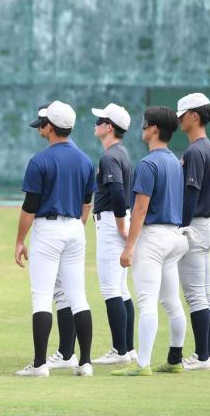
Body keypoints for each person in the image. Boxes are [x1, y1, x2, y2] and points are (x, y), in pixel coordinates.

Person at [14, 101, 95, 377]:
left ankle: (39, 365)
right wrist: (76, 228)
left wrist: (19, 240)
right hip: (75, 228)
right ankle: (85, 363)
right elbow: (87, 203)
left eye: (42, 124)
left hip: (48, 230)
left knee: (42, 296)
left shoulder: (40, 161)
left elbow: (30, 206)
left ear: (50, 127)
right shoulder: (85, 160)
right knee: (78, 297)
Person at [112, 107, 190, 377]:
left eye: (145, 124)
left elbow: (140, 210)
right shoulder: (173, 161)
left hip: (154, 238)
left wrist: (129, 246)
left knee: (147, 302)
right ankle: (175, 358)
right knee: (171, 301)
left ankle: (142, 364)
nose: (142, 128)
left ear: (154, 129)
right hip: (174, 236)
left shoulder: (148, 164)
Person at [89, 103, 137, 365]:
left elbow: (118, 192)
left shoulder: (110, 156)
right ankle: (127, 349)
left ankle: (120, 350)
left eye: (100, 121)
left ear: (109, 127)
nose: (96, 124)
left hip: (111, 221)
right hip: (116, 219)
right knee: (121, 289)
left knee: (111, 289)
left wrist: (120, 227)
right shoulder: (121, 152)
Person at [176, 93, 210, 371]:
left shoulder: (194, 151)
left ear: (194, 116)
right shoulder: (207, 147)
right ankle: (209, 355)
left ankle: (202, 356)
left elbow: (190, 193)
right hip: (207, 226)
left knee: (195, 296)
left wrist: (181, 226)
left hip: (196, 226)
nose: (179, 119)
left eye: (182, 114)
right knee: (205, 294)